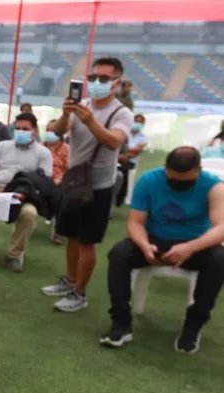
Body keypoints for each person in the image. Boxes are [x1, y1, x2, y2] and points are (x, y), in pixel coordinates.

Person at [100, 147, 224, 354]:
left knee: (219, 260)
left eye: (186, 180)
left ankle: (193, 326)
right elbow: (135, 223)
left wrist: (189, 248)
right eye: (173, 179)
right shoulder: (149, 180)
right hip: (155, 240)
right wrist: (144, 245)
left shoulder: (214, 186)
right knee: (120, 253)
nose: (178, 184)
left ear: (198, 170)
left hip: (195, 244)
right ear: (165, 169)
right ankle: (121, 323)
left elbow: (221, 227)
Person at [42, 57, 134, 312]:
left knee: (87, 241)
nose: (96, 83)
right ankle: (70, 280)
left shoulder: (121, 113)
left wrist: (91, 120)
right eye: (93, 78)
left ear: (116, 83)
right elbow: (59, 132)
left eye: (103, 79)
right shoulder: (82, 104)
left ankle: (79, 293)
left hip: (99, 185)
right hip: (74, 180)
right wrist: (65, 114)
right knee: (71, 235)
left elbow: (114, 142)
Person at [0, 112, 53, 272]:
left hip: (23, 193)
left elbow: (43, 181)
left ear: (34, 130)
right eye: (18, 128)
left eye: (25, 129)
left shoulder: (43, 153)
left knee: (29, 214)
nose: (20, 131)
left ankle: (13, 256)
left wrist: (25, 193)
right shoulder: (3, 146)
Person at [44, 120, 70, 246]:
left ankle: (58, 231)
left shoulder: (66, 149)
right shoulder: (39, 147)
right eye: (47, 130)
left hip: (58, 180)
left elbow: (69, 169)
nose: (49, 133)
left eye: (52, 131)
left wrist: (60, 179)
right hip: (40, 179)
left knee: (61, 194)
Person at [116, 114, 148, 206]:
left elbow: (136, 151)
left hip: (130, 161)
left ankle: (120, 198)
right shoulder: (125, 133)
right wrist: (129, 150)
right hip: (120, 158)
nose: (137, 124)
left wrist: (125, 150)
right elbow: (119, 145)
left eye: (140, 122)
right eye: (136, 121)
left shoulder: (143, 138)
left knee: (123, 170)